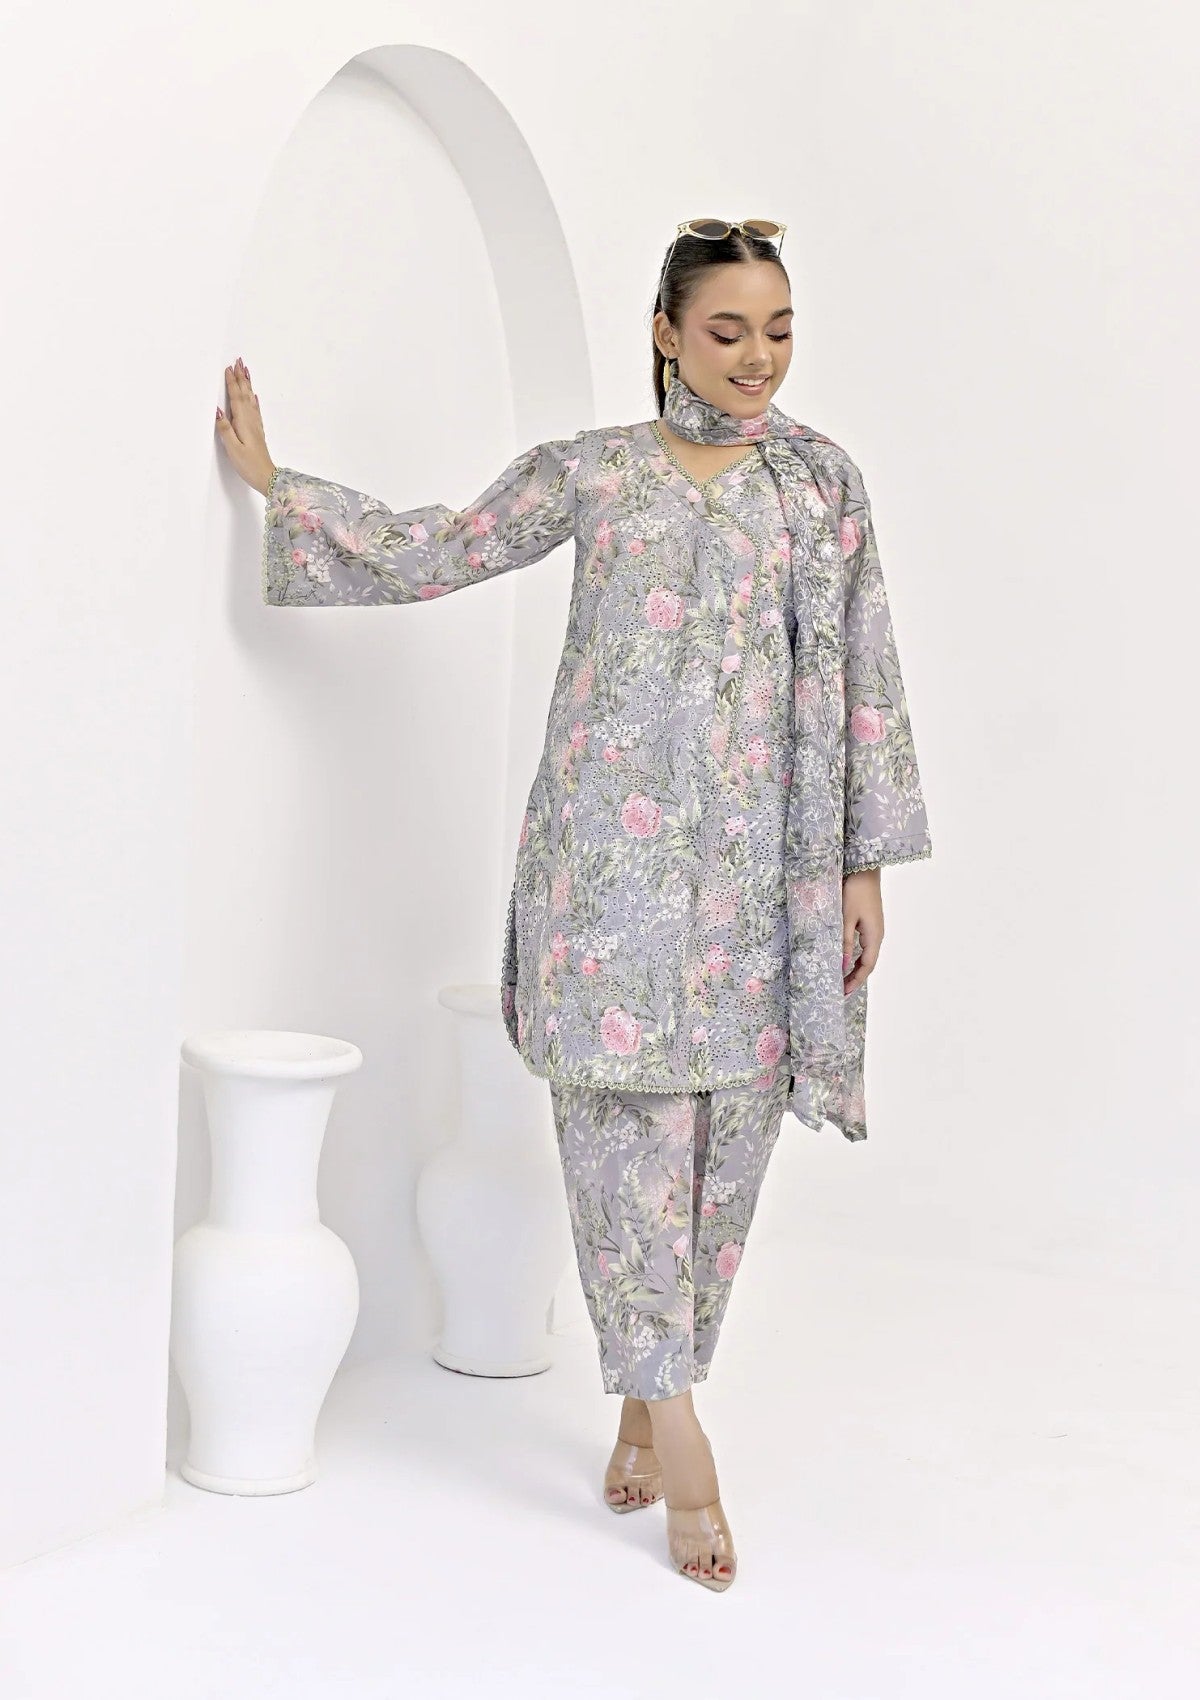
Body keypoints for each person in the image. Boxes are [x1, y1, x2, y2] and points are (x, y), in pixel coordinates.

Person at [215, 217, 932, 1592]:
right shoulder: (594, 473)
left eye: (779, 331)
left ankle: (642, 1400)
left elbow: (868, 671)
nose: (758, 358)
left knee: (720, 1170)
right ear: (666, 333)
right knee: (619, 1163)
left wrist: (862, 866)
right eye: (728, 331)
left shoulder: (820, 483)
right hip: (608, 880)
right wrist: (279, 488)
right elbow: (441, 549)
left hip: (764, 881)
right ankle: (683, 1430)